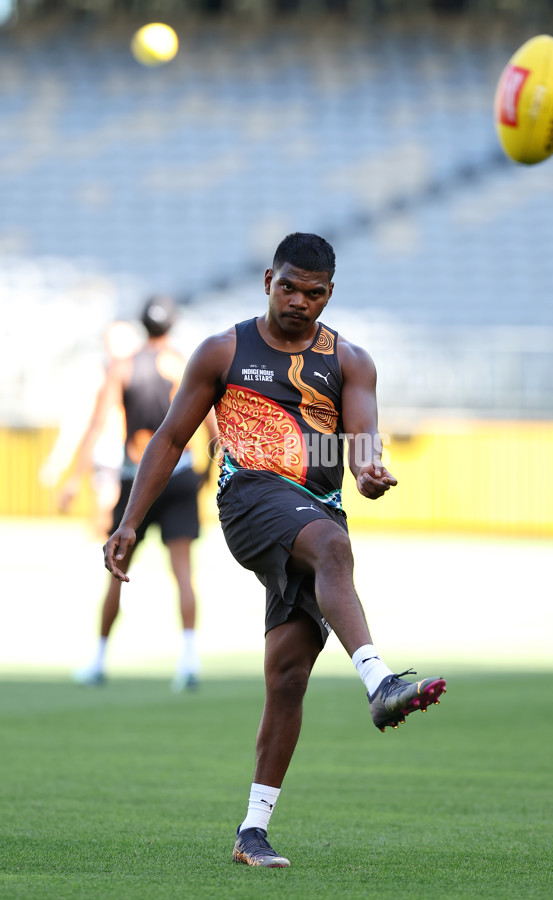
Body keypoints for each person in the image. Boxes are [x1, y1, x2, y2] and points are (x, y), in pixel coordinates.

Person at [104, 234, 447, 866]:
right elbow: (172, 439)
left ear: (329, 295)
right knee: (334, 549)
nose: (298, 300)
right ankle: (378, 682)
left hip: (314, 512)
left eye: (312, 292)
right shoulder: (222, 351)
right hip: (249, 499)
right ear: (268, 279)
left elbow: (364, 445)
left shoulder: (351, 362)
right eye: (288, 286)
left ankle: (252, 830)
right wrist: (130, 522)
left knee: (288, 676)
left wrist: (369, 473)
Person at [70, 296, 218, 690]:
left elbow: (98, 424)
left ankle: (99, 660)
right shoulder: (182, 363)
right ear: (171, 326)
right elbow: (212, 426)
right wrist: (211, 473)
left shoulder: (122, 366)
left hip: (136, 478)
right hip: (182, 473)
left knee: (116, 572)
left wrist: (74, 478)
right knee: (183, 573)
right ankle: (189, 660)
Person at [40, 320, 142, 537]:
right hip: (111, 448)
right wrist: (60, 461)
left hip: (137, 449)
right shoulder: (98, 377)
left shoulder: (143, 373)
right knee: (109, 510)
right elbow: (79, 421)